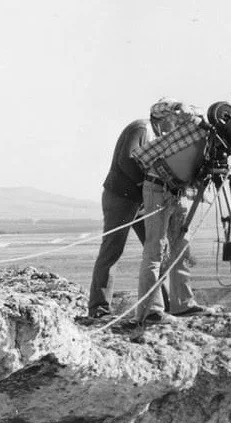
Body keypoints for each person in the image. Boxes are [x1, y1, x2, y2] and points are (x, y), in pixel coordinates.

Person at [84, 99, 183, 320]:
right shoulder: (141, 128)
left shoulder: (156, 134)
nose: (175, 125)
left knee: (156, 250)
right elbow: (126, 160)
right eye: (173, 120)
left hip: (139, 200)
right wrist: (146, 185)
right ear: (163, 118)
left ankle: (159, 307)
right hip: (121, 198)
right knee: (112, 250)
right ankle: (98, 309)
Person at [130, 104, 209, 323]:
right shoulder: (174, 130)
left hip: (176, 190)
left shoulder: (188, 131)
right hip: (157, 189)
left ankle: (183, 304)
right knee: (155, 248)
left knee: (180, 246)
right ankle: (149, 311)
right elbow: (164, 106)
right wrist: (178, 107)